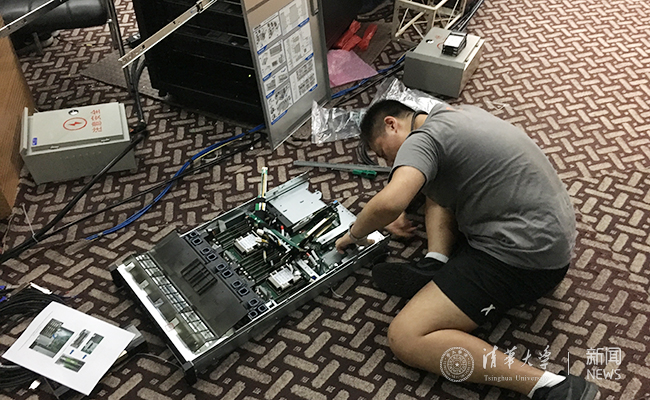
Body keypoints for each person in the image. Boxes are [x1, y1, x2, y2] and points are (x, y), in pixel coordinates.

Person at [335, 99, 599, 400]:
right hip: (550, 235)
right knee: (435, 179)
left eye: (383, 153)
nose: (387, 164)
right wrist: (401, 198)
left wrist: (354, 234)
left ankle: (552, 387)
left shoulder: (421, 140)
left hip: (524, 261)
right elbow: (420, 181)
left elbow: (389, 202)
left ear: (391, 124)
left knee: (405, 337)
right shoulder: (451, 115)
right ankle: (436, 261)